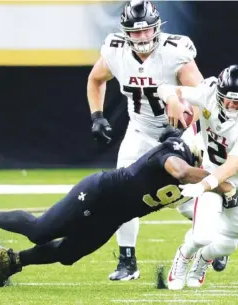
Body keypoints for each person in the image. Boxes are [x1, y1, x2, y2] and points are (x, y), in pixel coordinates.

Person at [0, 127, 237, 288]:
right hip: (98, 193)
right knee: (41, 231)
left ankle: (12, 261)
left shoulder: (199, 179)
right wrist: (220, 182)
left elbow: (207, 205)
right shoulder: (177, 149)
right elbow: (179, 171)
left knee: (69, 253)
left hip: (113, 216)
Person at [87, 0, 205, 280]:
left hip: (179, 134)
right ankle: (127, 262)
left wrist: (182, 131)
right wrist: (97, 115)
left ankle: (214, 242)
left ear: (157, 28)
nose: (141, 37)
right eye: (135, 32)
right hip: (140, 130)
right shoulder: (115, 51)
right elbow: (96, 79)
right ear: (125, 31)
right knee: (120, 193)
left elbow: (201, 96)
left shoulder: (174, 52)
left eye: (146, 31)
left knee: (185, 199)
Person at [157, 64, 238, 290]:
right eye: (227, 99)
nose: (231, 105)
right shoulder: (209, 91)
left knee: (226, 245)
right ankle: (183, 256)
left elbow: (233, 164)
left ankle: (203, 260)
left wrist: (201, 185)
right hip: (212, 174)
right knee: (201, 236)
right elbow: (166, 88)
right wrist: (172, 99)